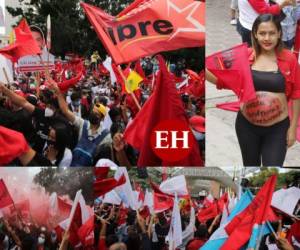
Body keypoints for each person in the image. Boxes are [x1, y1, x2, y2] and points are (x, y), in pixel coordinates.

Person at [206, 14, 300, 166]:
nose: (267, 38)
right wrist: (206, 69)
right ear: (255, 34)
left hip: (278, 129)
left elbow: (296, 94)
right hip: (246, 127)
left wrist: (293, 127)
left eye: (272, 33)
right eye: (262, 33)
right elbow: (218, 78)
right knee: (250, 168)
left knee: (273, 169)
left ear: (279, 34)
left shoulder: (289, 59)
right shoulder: (243, 56)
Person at [48, 78, 111, 166]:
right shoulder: (82, 124)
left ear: (102, 118)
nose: (93, 115)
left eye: (97, 114)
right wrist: (58, 92)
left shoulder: (106, 136)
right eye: (93, 112)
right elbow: (65, 110)